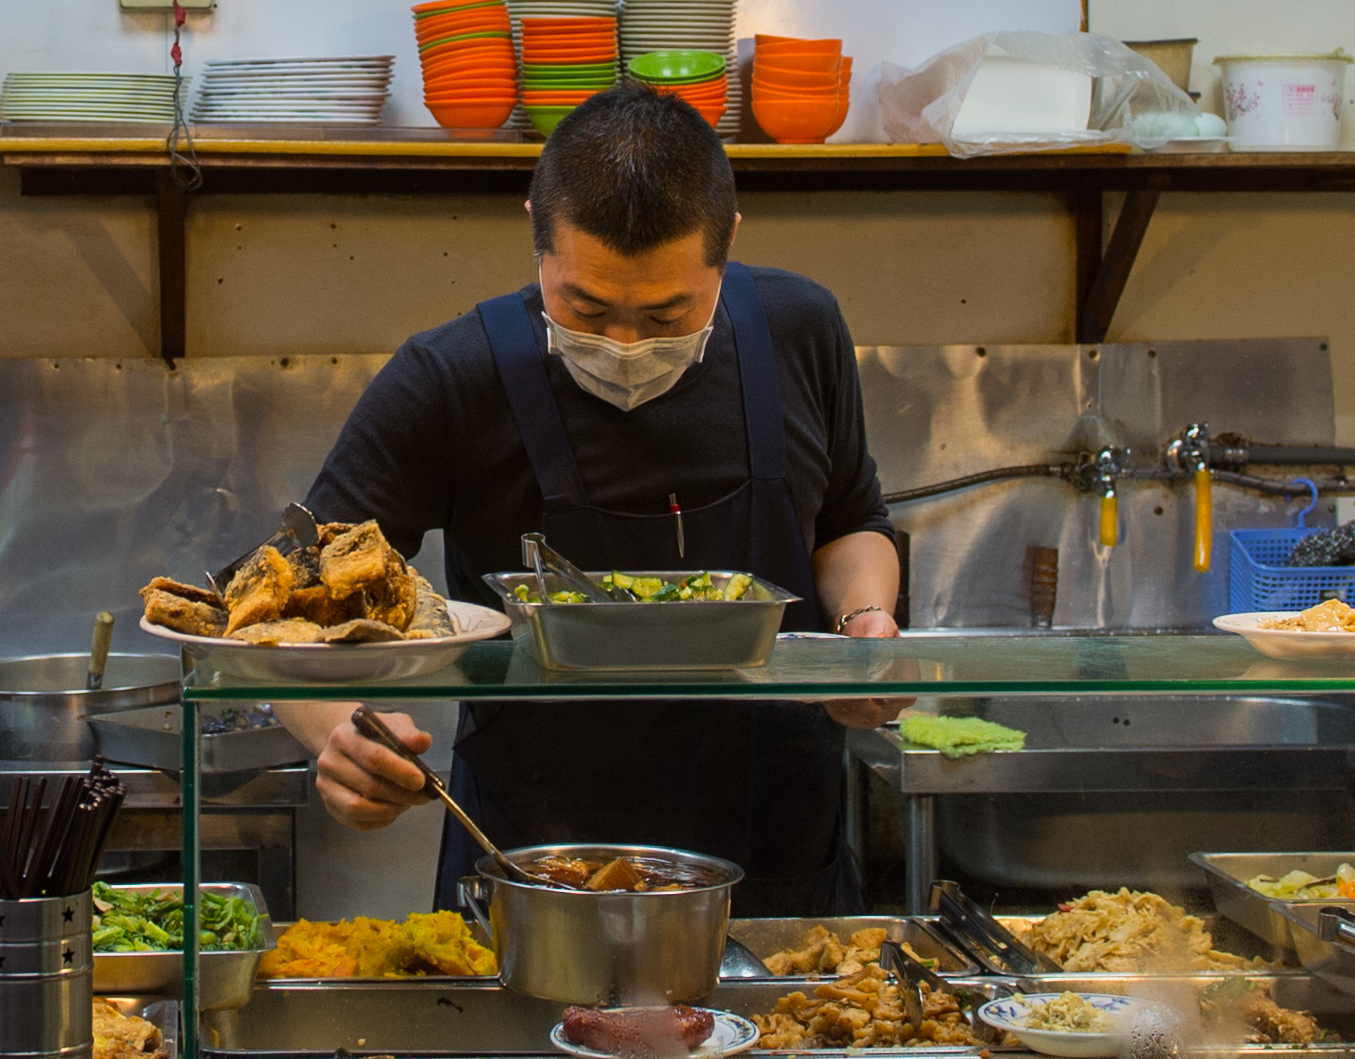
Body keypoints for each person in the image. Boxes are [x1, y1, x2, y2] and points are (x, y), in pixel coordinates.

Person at [284, 82, 905, 912]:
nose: (623, 343)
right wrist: (338, 735)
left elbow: (851, 520)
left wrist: (863, 625)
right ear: (535, 230)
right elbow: (282, 605)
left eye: (667, 315)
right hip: (538, 879)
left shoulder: (802, 328)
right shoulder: (451, 378)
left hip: (780, 863)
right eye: (584, 306)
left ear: (728, 239)